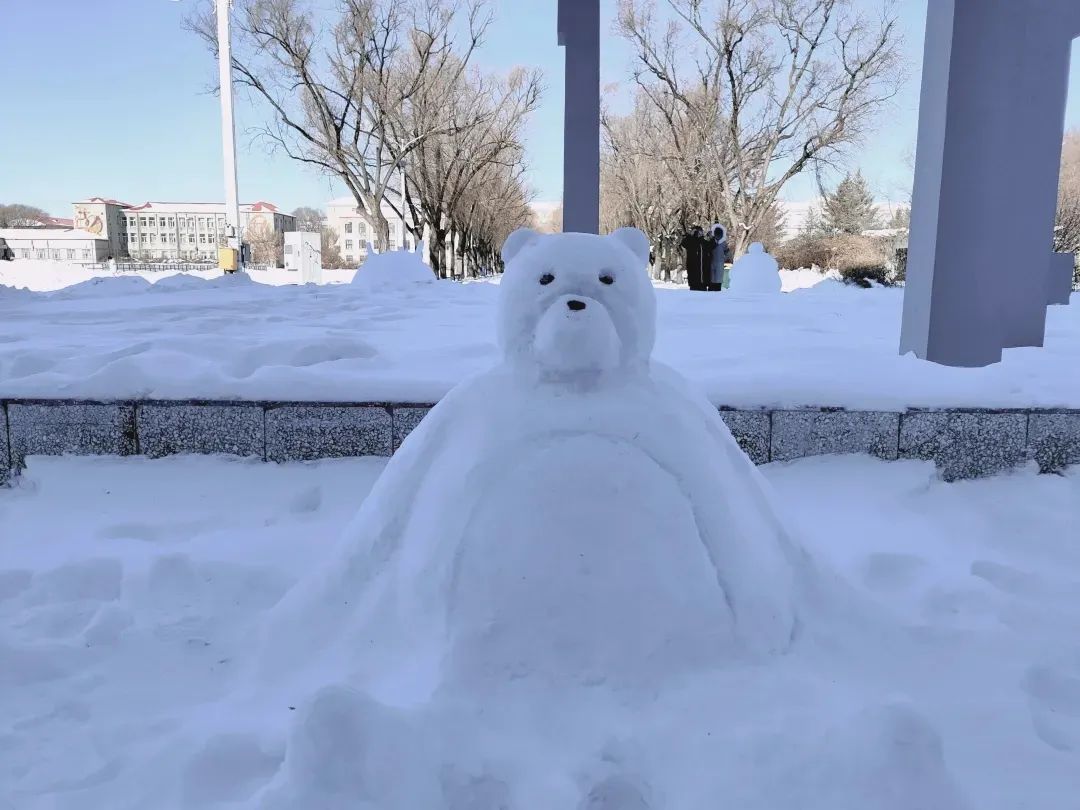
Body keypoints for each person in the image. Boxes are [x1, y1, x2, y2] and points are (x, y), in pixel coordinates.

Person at [680, 226, 714, 291]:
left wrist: (711, 237)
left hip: (703, 279)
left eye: (701, 232)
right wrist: (690, 235)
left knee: (703, 296)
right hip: (693, 279)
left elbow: (711, 246)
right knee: (694, 294)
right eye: (698, 232)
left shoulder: (703, 242)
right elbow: (683, 243)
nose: (700, 234)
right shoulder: (690, 241)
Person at [708, 223, 732, 291]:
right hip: (712, 262)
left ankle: (717, 291)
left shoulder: (723, 243)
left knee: (718, 279)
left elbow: (728, 253)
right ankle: (711, 290)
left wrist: (728, 261)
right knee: (712, 278)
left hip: (720, 263)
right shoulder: (712, 241)